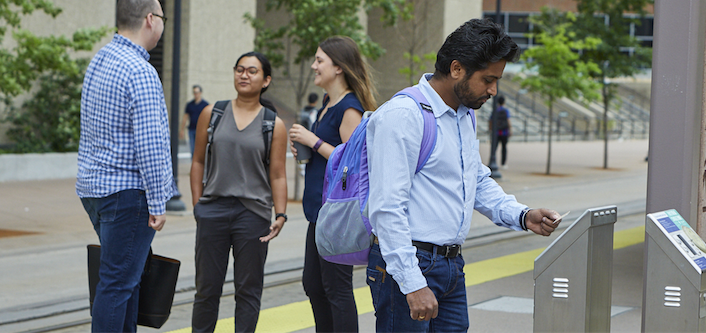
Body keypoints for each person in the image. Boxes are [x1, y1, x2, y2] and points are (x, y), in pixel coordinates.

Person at [365, 18, 563, 332]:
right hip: (409, 263)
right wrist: (412, 283)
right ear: (457, 69)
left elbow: (476, 179)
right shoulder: (403, 116)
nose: (493, 90)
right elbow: (387, 208)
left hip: (451, 265)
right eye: (487, 79)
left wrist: (523, 215)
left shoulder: (463, 115)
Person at [75, 0, 175, 331]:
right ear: (150, 19)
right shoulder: (140, 72)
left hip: (95, 189)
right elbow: (151, 145)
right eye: (162, 17)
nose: (163, 24)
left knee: (126, 282)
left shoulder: (99, 61)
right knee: (117, 285)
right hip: (128, 195)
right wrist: (159, 201)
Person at [189, 51, 289, 333]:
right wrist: (199, 205)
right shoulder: (213, 113)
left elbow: (278, 174)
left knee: (248, 291)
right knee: (206, 289)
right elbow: (197, 161)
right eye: (240, 69)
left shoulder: (274, 124)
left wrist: (280, 214)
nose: (244, 75)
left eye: (252, 71)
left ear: (266, 80)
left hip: (253, 215)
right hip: (214, 210)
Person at [288, 35, 377, 333]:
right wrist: (308, 147)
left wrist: (313, 142)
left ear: (338, 67)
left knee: (335, 288)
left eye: (319, 60)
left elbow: (351, 164)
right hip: (320, 211)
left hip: (337, 213)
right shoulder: (328, 103)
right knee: (314, 285)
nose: (314, 66)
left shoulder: (349, 107)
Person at [184, 84, 209, 155]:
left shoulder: (205, 104)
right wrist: (182, 129)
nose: (195, 94)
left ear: (200, 93)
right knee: (192, 149)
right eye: (194, 92)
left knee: (200, 149)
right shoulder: (190, 104)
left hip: (201, 130)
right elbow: (185, 116)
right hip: (191, 129)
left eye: (197, 92)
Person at [489, 95, 512, 169]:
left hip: (496, 132)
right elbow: (508, 120)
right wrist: (510, 129)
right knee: (504, 148)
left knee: (494, 148)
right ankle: (503, 163)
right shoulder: (506, 110)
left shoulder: (495, 110)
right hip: (504, 132)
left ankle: (492, 161)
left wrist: (490, 130)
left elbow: (491, 120)